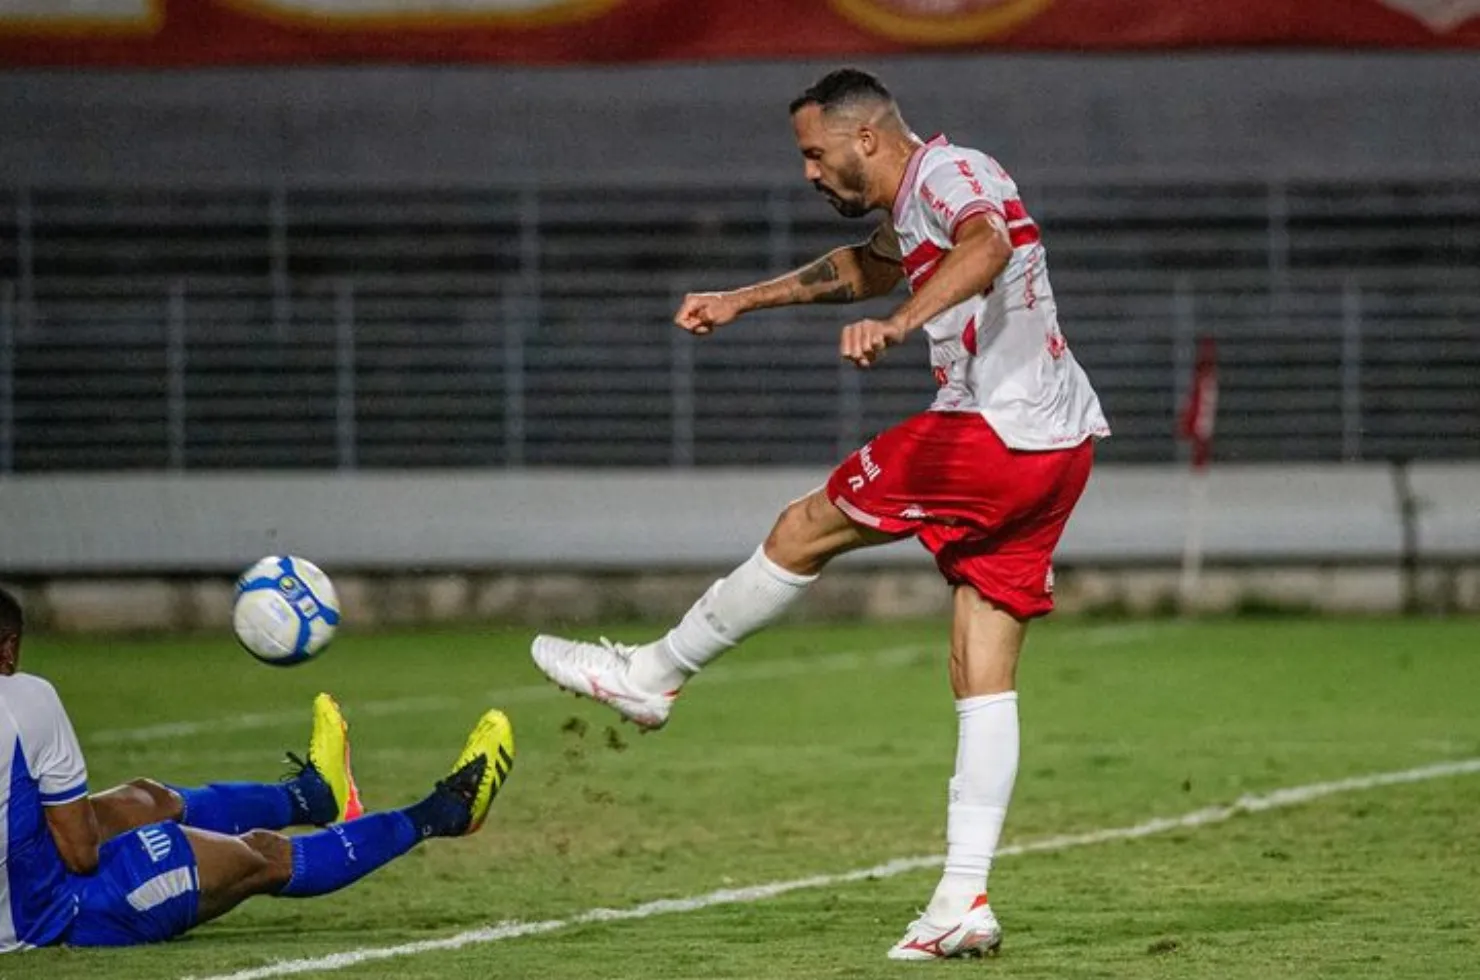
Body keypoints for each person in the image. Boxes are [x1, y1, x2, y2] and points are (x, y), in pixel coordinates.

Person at [531, 67, 1109, 960]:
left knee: (807, 525)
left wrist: (903, 323)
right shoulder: (924, 194)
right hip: (1058, 444)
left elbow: (986, 248)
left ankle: (654, 674)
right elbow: (862, 268)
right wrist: (740, 300)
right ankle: (964, 899)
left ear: (865, 138)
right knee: (980, 663)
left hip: (993, 432)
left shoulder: (950, 179)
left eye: (814, 152)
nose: (807, 170)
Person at [0, 585, 515, 952]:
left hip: (21, 885)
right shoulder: (26, 700)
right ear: (9, 650)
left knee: (144, 798)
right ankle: (444, 813)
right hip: (54, 915)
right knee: (261, 855)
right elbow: (81, 855)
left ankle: (313, 797)